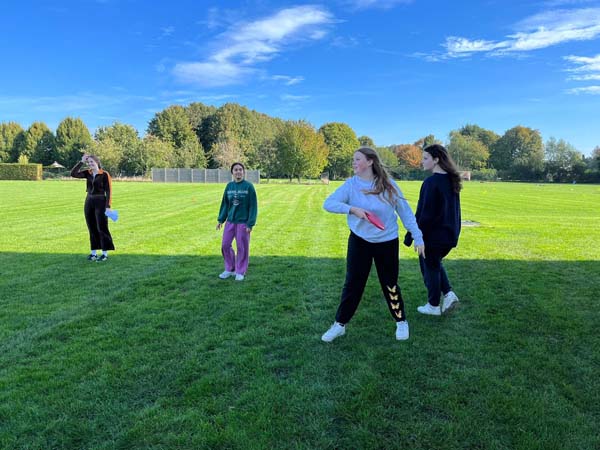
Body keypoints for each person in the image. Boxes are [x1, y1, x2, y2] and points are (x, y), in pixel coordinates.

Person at [321, 147, 425, 342]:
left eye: (357, 159)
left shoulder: (388, 185)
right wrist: (353, 209)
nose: (353, 162)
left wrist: (417, 236)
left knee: (390, 283)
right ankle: (340, 324)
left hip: (387, 242)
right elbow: (329, 203)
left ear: (370, 162)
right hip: (359, 241)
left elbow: (405, 212)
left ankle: (401, 321)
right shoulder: (350, 185)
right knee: (353, 283)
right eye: (353, 159)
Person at [405, 144, 462, 316]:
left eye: (425, 158)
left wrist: (412, 236)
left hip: (434, 235)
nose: (422, 162)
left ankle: (433, 305)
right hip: (449, 235)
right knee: (434, 264)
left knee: (429, 266)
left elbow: (424, 213)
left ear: (436, 160)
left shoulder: (431, 182)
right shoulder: (451, 181)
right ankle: (449, 294)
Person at [216, 162, 258, 281]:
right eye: (235, 170)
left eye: (240, 170)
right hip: (230, 221)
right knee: (225, 245)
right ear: (232, 173)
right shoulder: (229, 186)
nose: (238, 172)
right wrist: (220, 220)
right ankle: (229, 268)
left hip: (243, 223)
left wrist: (250, 223)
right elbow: (225, 204)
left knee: (242, 247)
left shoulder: (249, 187)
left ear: (243, 172)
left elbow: (253, 206)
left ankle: (240, 271)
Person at [70, 153, 115, 261]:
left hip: (100, 201)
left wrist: (108, 206)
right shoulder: (88, 173)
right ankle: (93, 253)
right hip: (89, 201)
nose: (90, 164)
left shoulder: (104, 174)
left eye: (92, 162)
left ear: (97, 162)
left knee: (102, 227)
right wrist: (81, 161)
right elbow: (73, 173)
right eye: (88, 162)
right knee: (91, 227)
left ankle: (104, 253)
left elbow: (109, 191)